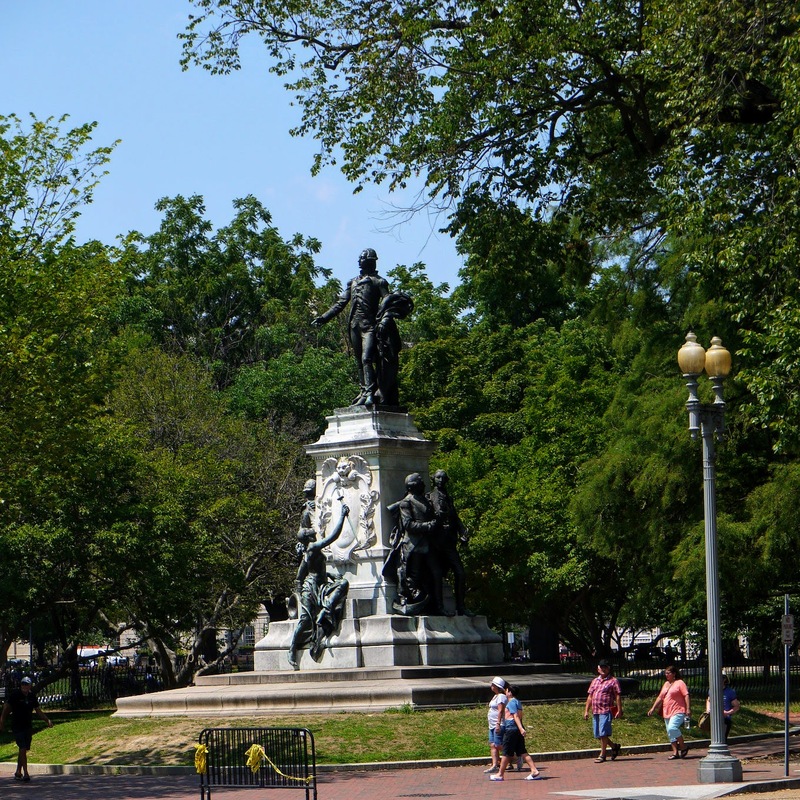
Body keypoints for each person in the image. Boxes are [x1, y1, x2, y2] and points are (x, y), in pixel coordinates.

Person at [312, 248, 391, 407]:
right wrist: (324, 317)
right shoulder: (352, 282)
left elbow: (387, 302)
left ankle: (370, 392)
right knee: (359, 361)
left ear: (370, 261)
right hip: (354, 326)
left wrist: (384, 320)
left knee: (367, 358)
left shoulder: (379, 282)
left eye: (363, 259)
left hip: (369, 326)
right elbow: (340, 304)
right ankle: (363, 392)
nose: (359, 262)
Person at [287, 502, 351, 668]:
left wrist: (329, 574)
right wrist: (343, 516)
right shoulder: (313, 547)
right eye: (309, 532)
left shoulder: (310, 551)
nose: (313, 531)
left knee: (343, 583)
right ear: (308, 538)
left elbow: (309, 572)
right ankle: (292, 646)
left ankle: (326, 610)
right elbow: (333, 537)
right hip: (312, 588)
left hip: (321, 585)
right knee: (305, 620)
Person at [382, 473, 441, 615]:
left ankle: (436, 603)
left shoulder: (425, 500)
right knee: (413, 575)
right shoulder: (406, 503)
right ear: (414, 486)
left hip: (427, 543)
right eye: (421, 482)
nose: (424, 484)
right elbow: (408, 524)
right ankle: (412, 598)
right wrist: (428, 526)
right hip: (414, 544)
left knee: (436, 572)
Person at [426, 470, 470, 616]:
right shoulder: (430, 497)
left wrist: (463, 532)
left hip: (449, 542)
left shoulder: (448, 497)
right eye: (438, 477)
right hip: (436, 543)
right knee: (437, 574)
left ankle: (461, 607)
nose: (441, 480)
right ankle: (439, 607)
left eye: (443, 478)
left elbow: (455, 517)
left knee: (460, 573)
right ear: (433, 479)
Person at [0, 676, 53, 782]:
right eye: (23, 684)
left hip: (27, 726)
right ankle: (26, 773)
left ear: (30, 686)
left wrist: (47, 720)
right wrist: (2, 722)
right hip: (17, 726)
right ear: (21, 685)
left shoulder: (32, 696)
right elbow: (6, 709)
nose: (24, 686)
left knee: (23, 749)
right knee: (22, 748)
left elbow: (38, 710)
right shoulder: (15, 695)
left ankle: (18, 771)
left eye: (26, 684)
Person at [489, 683, 542, 781]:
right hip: (517, 729)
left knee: (506, 752)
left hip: (512, 729)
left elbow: (515, 716)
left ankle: (500, 774)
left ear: (509, 693)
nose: (505, 692)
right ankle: (534, 770)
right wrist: (521, 728)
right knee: (522, 751)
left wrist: (521, 728)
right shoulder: (518, 702)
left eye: (507, 691)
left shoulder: (511, 703)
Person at [648, 664, 691, 759]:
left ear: (674, 674)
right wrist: (653, 708)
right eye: (665, 673)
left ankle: (683, 746)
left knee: (672, 728)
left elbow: (686, 695)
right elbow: (660, 697)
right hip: (666, 711)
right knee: (670, 732)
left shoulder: (680, 683)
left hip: (678, 710)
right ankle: (675, 752)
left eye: (668, 673)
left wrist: (688, 708)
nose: (666, 675)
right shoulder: (666, 684)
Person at [583, 659, 623, 762]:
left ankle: (603, 755)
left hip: (606, 710)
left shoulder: (613, 681)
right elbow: (590, 696)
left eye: (606, 667)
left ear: (609, 668)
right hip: (595, 711)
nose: (603, 669)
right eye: (602, 667)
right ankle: (614, 747)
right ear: (598, 669)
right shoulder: (595, 681)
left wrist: (619, 709)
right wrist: (586, 710)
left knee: (603, 733)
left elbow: (617, 696)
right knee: (598, 735)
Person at [705, 673, 740, 743]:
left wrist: (728, 713)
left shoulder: (730, 692)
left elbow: (737, 706)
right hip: (714, 718)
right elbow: (708, 700)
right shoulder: (711, 690)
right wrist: (708, 710)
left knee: (722, 740)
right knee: (714, 740)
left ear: (724, 680)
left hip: (725, 719)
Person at [484, 676, 508, 774]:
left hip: (498, 724)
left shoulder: (501, 696)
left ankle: (516, 756)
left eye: (493, 685)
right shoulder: (495, 696)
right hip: (492, 724)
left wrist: (498, 723)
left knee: (498, 745)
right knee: (492, 745)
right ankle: (494, 765)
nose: (491, 686)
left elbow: (501, 710)